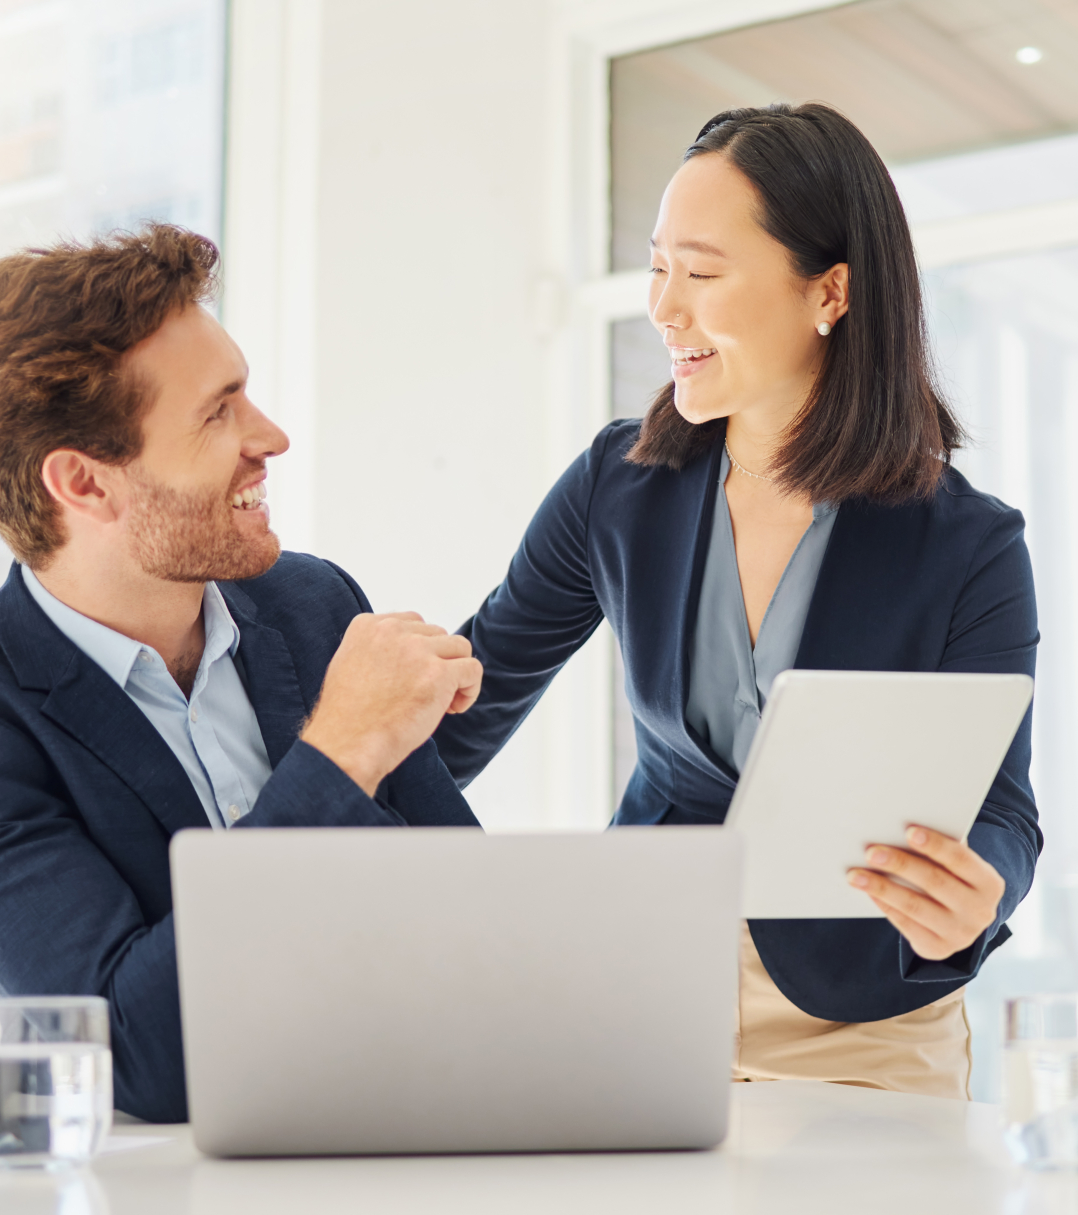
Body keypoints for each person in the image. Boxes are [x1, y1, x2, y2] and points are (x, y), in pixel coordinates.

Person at [434, 103, 1040, 1097]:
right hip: (639, 992)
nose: (664, 310)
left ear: (830, 292)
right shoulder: (613, 488)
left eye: (702, 274)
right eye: (657, 267)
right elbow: (467, 705)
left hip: (861, 1029)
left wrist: (979, 888)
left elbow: (999, 804)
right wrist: (303, 804)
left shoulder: (965, 544)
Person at [0, 225, 483, 1123]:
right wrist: (342, 751)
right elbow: (140, 1057)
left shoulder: (310, 605)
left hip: (388, 1130)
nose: (271, 436)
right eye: (218, 411)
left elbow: (473, 922)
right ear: (86, 483)